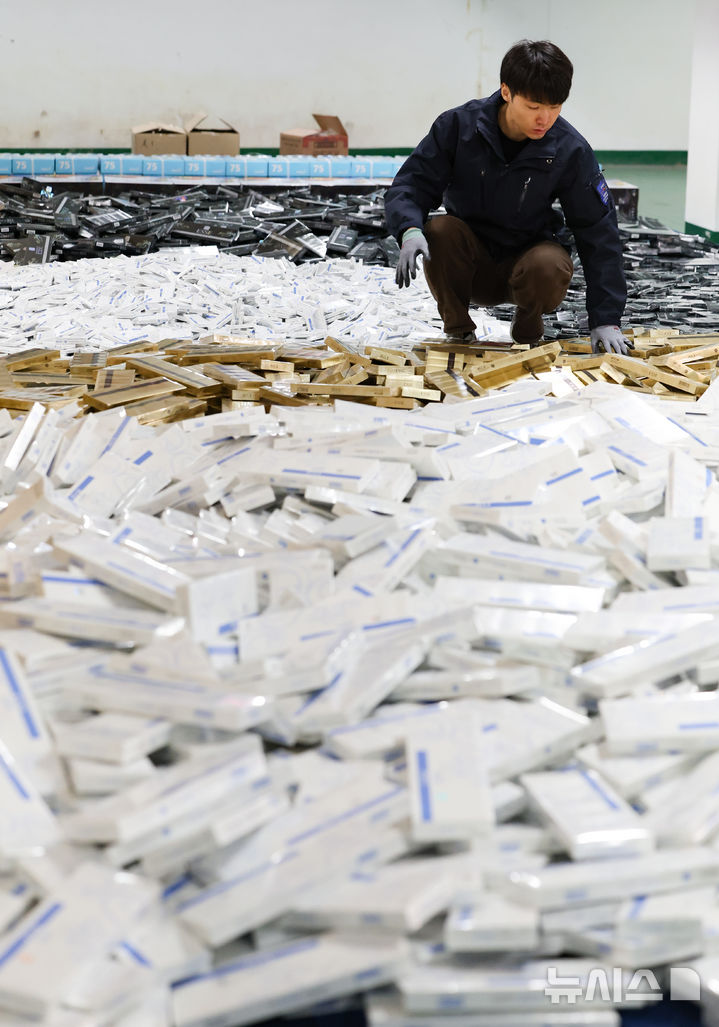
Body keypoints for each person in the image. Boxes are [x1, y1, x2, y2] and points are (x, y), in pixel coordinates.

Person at [384, 39, 631, 354]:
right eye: (533, 107)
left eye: (554, 108)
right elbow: (412, 183)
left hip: (528, 270)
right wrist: (409, 228)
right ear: (506, 92)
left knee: (551, 263)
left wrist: (606, 319)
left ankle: (528, 325)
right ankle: (459, 331)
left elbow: (599, 232)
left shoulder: (570, 149)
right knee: (438, 231)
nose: (545, 119)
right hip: (469, 265)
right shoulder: (458, 128)